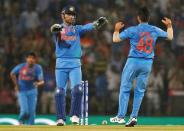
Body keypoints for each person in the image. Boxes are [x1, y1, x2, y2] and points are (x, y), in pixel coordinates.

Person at [110, 7, 173, 127]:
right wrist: (169, 26)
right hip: (147, 63)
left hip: (133, 62)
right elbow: (170, 37)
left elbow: (115, 39)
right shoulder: (154, 29)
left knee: (125, 88)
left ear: (138, 18)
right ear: (148, 18)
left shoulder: (132, 30)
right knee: (140, 91)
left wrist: (116, 29)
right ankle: (133, 117)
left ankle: (121, 116)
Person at [50, 5, 108, 126]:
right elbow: (54, 29)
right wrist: (55, 29)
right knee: (60, 92)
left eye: (73, 15)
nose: (72, 16)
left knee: (78, 90)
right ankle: (60, 119)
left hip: (75, 64)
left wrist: (97, 23)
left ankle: (75, 115)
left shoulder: (77, 29)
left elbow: (89, 27)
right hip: (61, 64)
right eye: (69, 14)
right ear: (63, 15)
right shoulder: (59, 28)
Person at [10, 52, 44, 125]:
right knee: (25, 110)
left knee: (32, 112)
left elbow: (42, 81)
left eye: (33, 58)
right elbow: (12, 73)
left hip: (32, 91)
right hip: (22, 91)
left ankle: (30, 126)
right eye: (29, 57)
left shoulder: (38, 68)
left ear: (35, 60)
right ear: (26, 59)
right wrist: (16, 85)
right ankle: (20, 120)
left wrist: (37, 83)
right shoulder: (21, 66)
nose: (31, 59)